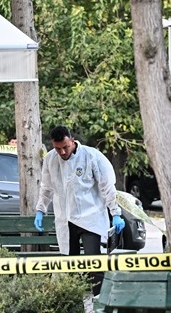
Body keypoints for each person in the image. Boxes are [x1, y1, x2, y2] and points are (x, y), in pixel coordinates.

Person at [35, 125, 124, 293]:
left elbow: (107, 187)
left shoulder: (91, 156)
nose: (62, 152)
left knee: (94, 261)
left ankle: (98, 300)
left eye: (65, 147)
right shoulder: (50, 159)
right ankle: (73, 304)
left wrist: (115, 212)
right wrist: (41, 209)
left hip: (91, 217)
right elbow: (46, 187)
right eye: (57, 148)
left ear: (73, 141)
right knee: (70, 264)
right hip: (65, 219)